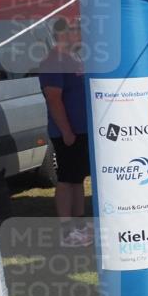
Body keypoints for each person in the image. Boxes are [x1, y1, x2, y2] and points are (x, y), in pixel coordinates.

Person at [38, 18, 92, 246]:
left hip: (80, 130)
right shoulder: (53, 61)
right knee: (66, 179)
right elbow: (53, 99)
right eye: (76, 29)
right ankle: (67, 230)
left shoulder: (73, 58)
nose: (80, 33)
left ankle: (79, 225)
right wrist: (67, 131)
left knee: (77, 178)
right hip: (67, 132)